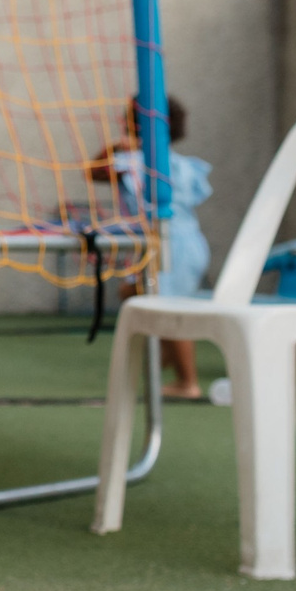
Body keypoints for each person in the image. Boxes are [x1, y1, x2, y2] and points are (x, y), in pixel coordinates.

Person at [91, 96, 214, 400]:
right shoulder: (176, 163)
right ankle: (166, 358)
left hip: (172, 244)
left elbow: (94, 171)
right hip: (178, 242)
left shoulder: (136, 162)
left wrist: (119, 147)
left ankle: (188, 382)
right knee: (133, 293)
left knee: (170, 311)